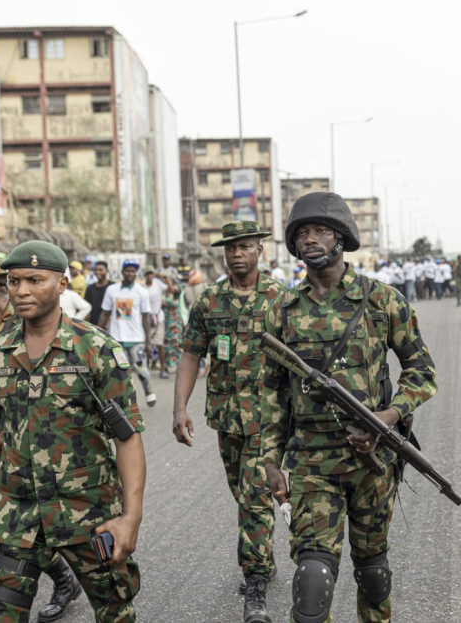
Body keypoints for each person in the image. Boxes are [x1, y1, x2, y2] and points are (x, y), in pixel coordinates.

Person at [0, 243, 145, 623]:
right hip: (13, 512)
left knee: (115, 612)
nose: (22, 291)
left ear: (63, 283)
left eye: (35, 280)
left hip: (88, 511)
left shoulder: (97, 350)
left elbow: (127, 438)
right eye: (14, 281)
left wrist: (131, 516)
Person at [258, 192, 436, 623]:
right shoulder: (281, 309)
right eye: (302, 233)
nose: (311, 240)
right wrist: (269, 459)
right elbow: (271, 392)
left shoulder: (382, 301)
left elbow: (422, 372)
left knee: (373, 574)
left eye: (321, 231)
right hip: (311, 461)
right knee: (313, 581)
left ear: (342, 239)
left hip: (372, 461)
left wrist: (387, 419)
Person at [172, 221, 284, 623]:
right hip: (226, 417)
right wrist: (179, 407)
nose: (237, 253)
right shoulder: (209, 302)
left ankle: (254, 586)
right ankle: (264, 556)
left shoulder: (280, 299)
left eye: (246, 247)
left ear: (260, 251)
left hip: (269, 420)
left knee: (254, 497)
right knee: (243, 494)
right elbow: (190, 354)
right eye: (231, 248)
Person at [98, 260, 157, 408]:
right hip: (116, 339)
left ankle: (148, 390)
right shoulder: (112, 290)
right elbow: (104, 314)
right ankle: (123, 400)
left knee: (141, 369)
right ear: (122, 272)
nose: (130, 273)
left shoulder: (141, 292)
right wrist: (97, 334)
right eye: (127, 270)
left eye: (133, 271)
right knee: (119, 372)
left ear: (136, 273)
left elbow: (145, 317)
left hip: (137, 339)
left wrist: (148, 341)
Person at [142, 266, 167, 374]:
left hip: (158, 316)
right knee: (148, 344)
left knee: (160, 344)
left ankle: (163, 368)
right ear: (145, 275)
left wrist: (165, 278)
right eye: (147, 274)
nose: (149, 276)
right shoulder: (142, 287)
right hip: (147, 318)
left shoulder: (158, 283)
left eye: (151, 274)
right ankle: (146, 368)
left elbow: (169, 288)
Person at [158, 275, 183, 378]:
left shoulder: (177, 290)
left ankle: (180, 368)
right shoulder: (163, 293)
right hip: (165, 322)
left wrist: (168, 280)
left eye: (167, 281)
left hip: (175, 323)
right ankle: (165, 368)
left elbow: (173, 289)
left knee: (177, 345)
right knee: (166, 346)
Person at [84, 261, 112, 330]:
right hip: (94, 325)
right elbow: (87, 307)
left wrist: (108, 322)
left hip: (109, 326)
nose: (97, 272)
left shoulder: (112, 287)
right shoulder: (90, 288)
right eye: (95, 270)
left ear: (107, 271)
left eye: (100, 270)